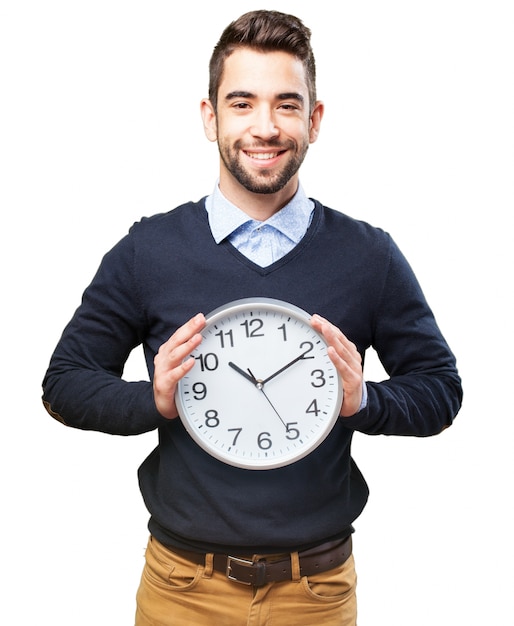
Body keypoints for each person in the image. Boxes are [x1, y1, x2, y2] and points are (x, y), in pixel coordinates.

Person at [42, 9, 462, 626]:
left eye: (286, 105)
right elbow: (65, 382)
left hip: (315, 593)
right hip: (182, 588)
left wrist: (363, 401)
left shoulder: (369, 256)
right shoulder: (148, 251)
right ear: (211, 117)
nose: (264, 127)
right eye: (242, 103)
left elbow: (441, 391)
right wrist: (153, 400)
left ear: (314, 121)